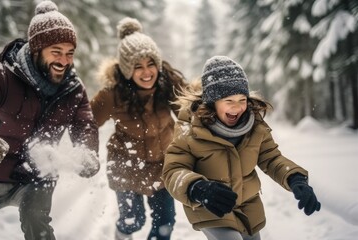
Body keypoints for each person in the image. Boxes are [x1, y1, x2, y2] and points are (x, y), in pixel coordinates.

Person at [0, 1, 100, 239]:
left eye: (69, 53)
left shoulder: (73, 90)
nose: (64, 61)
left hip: (36, 176)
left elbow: (85, 126)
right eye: (56, 52)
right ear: (36, 49)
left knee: (39, 227)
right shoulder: (2, 75)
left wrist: (87, 152)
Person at [161, 56, 321, 240]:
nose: (237, 107)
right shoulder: (190, 128)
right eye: (229, 100)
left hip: (248, 207)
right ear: (212, 101)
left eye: (242, 99)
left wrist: (295, 178)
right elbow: (173, 170)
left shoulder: (255, 126)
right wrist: (198, 188)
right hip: (210, 205)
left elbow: (271, 158)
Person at [90, 17, 187, 240]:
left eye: (150, 64)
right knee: (133, 220)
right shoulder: (113, 94)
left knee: (165, 223)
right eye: (137, 66)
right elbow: (86, 121)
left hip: (162, 166)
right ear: (126, 69)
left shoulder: (167, 83)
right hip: (126, 164)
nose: (146, 72)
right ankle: (122, 234)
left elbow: (191, 109)